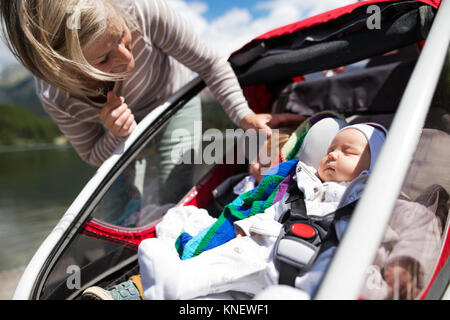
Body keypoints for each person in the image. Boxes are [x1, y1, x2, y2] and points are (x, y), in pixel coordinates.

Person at [0, 0, 303, 204]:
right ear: (67, 70)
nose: (127, 59)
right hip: (124, 132)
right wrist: (117, 134)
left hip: (174, 98)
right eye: (104, 58)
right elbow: (93, 154)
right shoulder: (56, 94)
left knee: (173, 188)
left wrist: (244, 116)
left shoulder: (143, 11)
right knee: (117, 208)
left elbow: (210, 64)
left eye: (122, 36)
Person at [81, 122, 387, 300]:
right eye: (331, 148)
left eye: (347, 152)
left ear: (374, 167)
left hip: (317, 270)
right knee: (225, 260)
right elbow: (262, 209)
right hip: (263, 248)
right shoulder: (297, 181)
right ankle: (172, 283)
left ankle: (160, 282)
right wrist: (249, 224)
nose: (332, 154)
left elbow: (375, 242)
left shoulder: (369, 199)